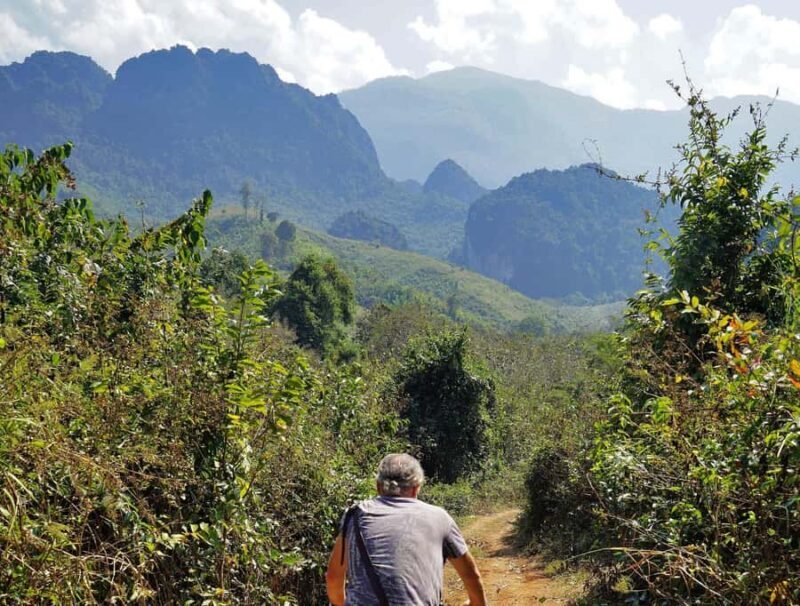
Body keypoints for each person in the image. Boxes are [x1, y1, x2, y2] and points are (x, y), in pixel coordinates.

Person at [326, 453, 487, 606]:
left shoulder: (356, 516)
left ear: (378, 486)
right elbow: (470, 576)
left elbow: (334, 578)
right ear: (417, 487)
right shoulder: (440, 517)